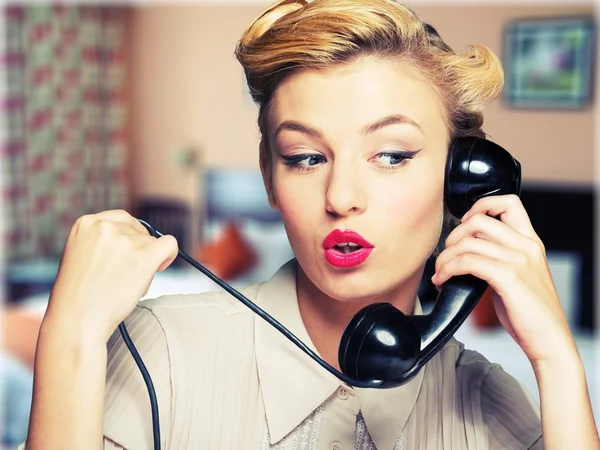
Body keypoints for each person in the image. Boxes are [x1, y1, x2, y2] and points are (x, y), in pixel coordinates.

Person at [23, 0, 599, 449]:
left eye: (392, 155)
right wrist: (68, 342)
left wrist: (559, 361)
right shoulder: (154, 349)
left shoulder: (495, 404)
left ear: (461, 180)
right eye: (305, 158)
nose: (342, 197)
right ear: (271, 178)